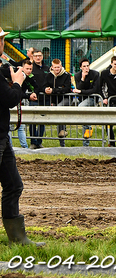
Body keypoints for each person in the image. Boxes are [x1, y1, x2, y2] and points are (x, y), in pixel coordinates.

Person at [0, 27, 44, 246]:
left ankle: (17, 239)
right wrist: (17, 82)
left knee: (14, 185)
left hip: (2, 135)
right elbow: (8, 98)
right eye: (1, 40)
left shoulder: (1, 67)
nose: (3, 44)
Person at [72, 59, 101, 146]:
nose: (86, 68)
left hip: (92, 98)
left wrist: (81, 92)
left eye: (87, 66)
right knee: (85, 119)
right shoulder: (77, 76)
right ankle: (86, 144)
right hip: (82, 99)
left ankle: (87, 137)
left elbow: (95, 90)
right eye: (84, 66)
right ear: (81, 67)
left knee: (81, 107)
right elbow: (78, 89)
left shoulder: (95, 74)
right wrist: (83, 78)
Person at [44, 59, 72, 147]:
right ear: (52, 67)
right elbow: (45, 85)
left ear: (61, 66)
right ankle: (61, 141)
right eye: (55, 67)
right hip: (54, 99)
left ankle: (63, 131)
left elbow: (67, 89)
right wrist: (46, 89)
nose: (57, 69)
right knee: (59, 117)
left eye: (58, 67)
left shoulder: (66, 75)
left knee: (59, 108)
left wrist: (53, 90)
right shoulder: (48, 75)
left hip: (65, 98)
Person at [11, 60, 39, 149]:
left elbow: (37, 86)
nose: (29, 71)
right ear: (22, 68)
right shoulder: (16, 75)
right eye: (27, 68)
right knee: (9, 126)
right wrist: (28, 96)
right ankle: (10, 146)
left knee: (21, 126)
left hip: (20, 102)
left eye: (30, 69)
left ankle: (24, 147)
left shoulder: (29, 77)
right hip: (11, 102)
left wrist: (34, 93)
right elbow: (15, 92)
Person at [28, 49, 48, 149]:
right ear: (33, 57)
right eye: (36, 56)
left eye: (39, 55)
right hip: (33, 98)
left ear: (42, 56)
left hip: (44, 98)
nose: (38, 57)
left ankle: (39, 141)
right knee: (33, 121)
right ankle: (33, 141)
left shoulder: (47, 68)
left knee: (41, 121)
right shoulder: (31, 68)